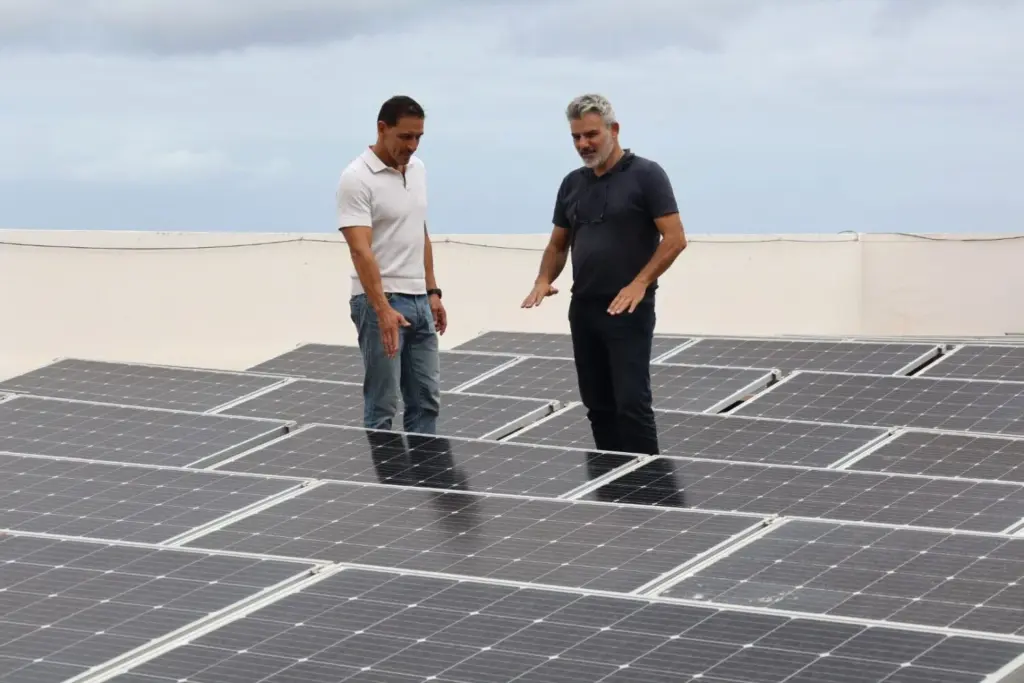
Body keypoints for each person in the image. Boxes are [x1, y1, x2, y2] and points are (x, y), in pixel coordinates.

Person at [521, 93, 687, 456]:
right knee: (597, 405)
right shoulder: (572, 183)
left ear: (614, 130)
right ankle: (611, 479)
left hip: (628, 308)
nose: (584, 144)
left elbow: (675, 239)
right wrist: (543, 279)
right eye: (576, 137)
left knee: (631, 404)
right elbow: (558, 245)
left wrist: (640, 283)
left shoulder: (646, 175)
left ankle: (647, 482)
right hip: (584, 307)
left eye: (591, 134)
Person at [337, 95, 447, 436]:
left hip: (419, 299)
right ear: (382, 128)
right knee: (383, 404)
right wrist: (382, 309)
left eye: (418, 137)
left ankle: (423, 467)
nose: (412, 145)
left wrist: (432, 291)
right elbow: (360, 251)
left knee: (426, 400)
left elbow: (419, 231)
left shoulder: (418, 170)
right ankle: (385, 472)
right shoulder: (356, 178)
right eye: (405, 136)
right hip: (380, 302)